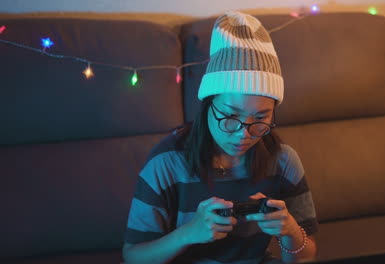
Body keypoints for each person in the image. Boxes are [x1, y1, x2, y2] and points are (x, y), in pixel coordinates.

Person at [122, 10, 318, 264]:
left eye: (260, 119)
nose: (243, 134)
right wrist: (189, 233)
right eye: (230, 115)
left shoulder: (283, 160)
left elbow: (307, 257)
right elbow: (133, 257)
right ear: (207, 107)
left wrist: (290, 229)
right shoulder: (166, 163)